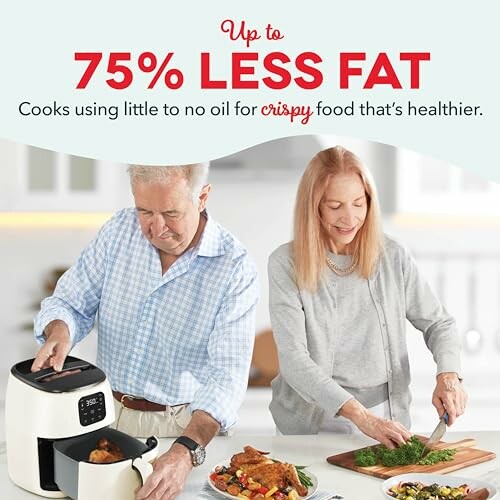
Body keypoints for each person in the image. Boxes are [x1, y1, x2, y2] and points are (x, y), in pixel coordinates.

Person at [31, 163, 259, 499]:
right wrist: (60, 329)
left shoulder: (234, 267)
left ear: (203, 197)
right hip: (103, 415)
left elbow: (226, 379)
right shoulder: (120, 230)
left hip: (181, 430)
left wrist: (184, 454)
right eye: (144, 211)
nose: (156, 227)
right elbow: (70, 301)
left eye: (170, 212)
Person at [268, 146, 467, 447]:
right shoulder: (286, 263)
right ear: (314, 207)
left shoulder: (392, 256)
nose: (349, 218)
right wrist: (360, 417)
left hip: (385, 416)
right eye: (335, 206)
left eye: (358, 203)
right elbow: (294, 360)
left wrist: (449, 377)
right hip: (315, 422)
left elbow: (439, 323)